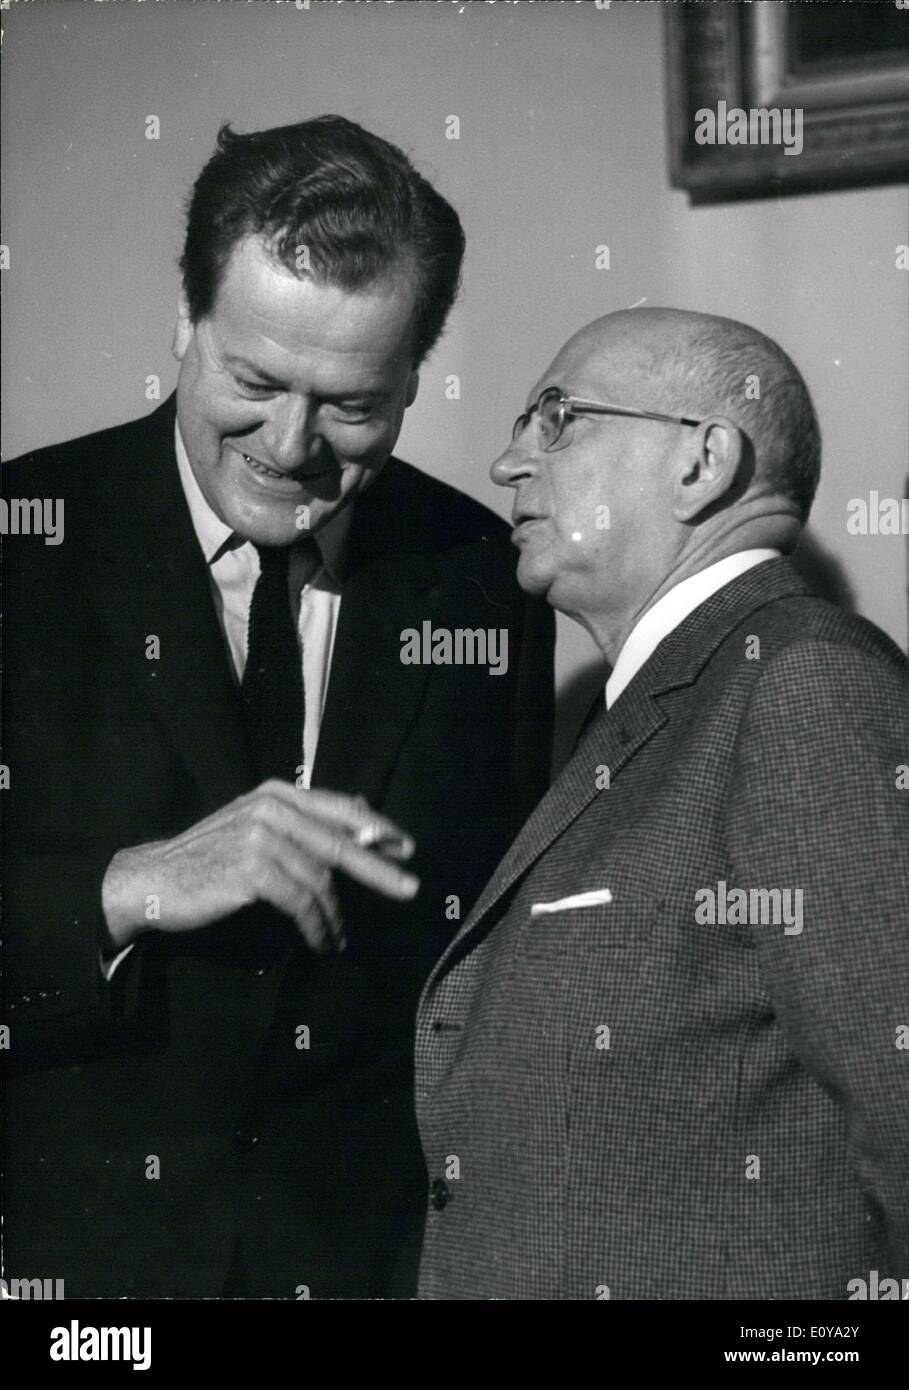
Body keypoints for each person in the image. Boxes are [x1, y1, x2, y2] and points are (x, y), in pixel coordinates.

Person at [1, 115, 554, 1299]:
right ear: (184, 323)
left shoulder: (484, 575)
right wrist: (131, 886)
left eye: (354, 404)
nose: (292, 447)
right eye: (254, 381)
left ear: (416, 376)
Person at [415, 308, 909, 1300]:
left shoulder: (803, 680)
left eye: (558, 417)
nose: (511, 461)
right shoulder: (660, 705)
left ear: (702, 461)